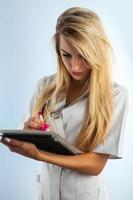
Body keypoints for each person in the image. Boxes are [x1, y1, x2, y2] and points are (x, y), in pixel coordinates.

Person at [1, 7, 128, 200]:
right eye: (66, 55)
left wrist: (39, 155)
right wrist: (32, 130)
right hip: (46, 193)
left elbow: (96, 165)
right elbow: (24, 139)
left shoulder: (116, 95)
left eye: (82, 56)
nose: (74, 66)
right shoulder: (45, 86)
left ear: (96, 51)